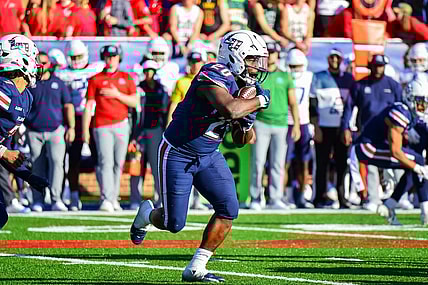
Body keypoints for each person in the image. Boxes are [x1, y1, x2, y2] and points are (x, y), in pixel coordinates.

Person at [130, 30, 271, 282]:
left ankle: (196, 267)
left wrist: (246, 124)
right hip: (178, 152)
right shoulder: (213, 73)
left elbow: (240, 142)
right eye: (251, 59)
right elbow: (229, 107)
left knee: (229, 209)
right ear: (235, 56)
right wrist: (256, 102)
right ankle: (147, 215)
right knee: (174, 223)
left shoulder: (249, 89)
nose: (255, 67)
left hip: (209, 154)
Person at [352, 73, 428, 226]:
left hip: (373, 145)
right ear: (410, 98)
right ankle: (425, 211)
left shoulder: (407, 112)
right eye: (420, 101)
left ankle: (390, 205)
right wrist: (418, 167)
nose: (423, 106)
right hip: (366, 148)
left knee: (414, 162)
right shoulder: (401, 113)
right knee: (416, 161)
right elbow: (396, 151)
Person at [341, 54, 403, 211]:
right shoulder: (360, 85)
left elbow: (403, 108)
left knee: (398, 163)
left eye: (381, 66)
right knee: (371, 165)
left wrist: (405, 130)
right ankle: (373, 198)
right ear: (370, 66)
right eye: (375, 66)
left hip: (391, 131)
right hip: (368, 132)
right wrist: (346, 128)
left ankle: (400, 197)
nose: (378, 69)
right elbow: (349, 108)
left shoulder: (393, 85)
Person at [0, 34, 49, 229]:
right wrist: (4, 152)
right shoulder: (4, 90)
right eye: (33, 58)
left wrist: (28, 176)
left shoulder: (25, 97)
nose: (36, 64)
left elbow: (7, 152)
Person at [83, 45, 138, 212]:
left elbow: (135, 102)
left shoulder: (127, 78)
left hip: (122, 124)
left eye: (113, 56)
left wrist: (117, 95)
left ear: (118, 58)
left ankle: (113, 198)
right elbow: (89, 105)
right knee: (105, 162)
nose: (110, 59)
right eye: (107, 56)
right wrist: (85, 129)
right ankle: (107, 198)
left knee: (118, 164)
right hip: (102, 125)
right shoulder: (95, 79)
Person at [249, 38, 300, 210]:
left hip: (281, 124)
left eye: (273, 53)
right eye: (268, 53)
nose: (271, 56)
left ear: (278, 55)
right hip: (261, 123)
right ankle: (256, 198)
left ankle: (276, 197)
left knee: (278, 163)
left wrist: (297, 125)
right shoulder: (257, 76)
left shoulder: (285, 76)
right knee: (258, 162)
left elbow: (293, 103)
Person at [55, 40, 105, 211]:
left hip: (92, 117)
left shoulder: (96, 69)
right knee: (73, 158)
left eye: (79, 56)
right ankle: (74, 195)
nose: (76, 60)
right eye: (73, 57)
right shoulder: (63, 73)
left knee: (99, 158)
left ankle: (105, 196)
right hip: (73, 120)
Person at [26, 51, 75, 212]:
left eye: (45, 62)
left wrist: (72, 127)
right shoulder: (31, 83)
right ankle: (37, 200)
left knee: (57, 164)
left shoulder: (59, 83)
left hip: (56, 130)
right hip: (34, 131)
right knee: (36, 166)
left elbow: (68, 105)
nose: (42, 65)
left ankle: (56, 199)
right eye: (39, 62)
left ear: (50, 64)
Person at [310, 47, 355, 208]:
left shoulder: (349, 79)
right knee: (322, 164)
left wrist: (348, 128)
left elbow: (352, 106)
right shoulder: (319, 77)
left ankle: (342, 198)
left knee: (342, 164)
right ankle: (319, 197)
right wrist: (316, 126)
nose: (334, 61)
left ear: (341, 60)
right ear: (328, 59)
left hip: (342, 128)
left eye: (337, 58)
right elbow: (312, 103)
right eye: (332, 58)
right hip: (324, 126)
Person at [128, 59, 169, 209]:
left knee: (156, 166)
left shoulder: (161, 90)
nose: (149, 74)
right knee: (136, 166)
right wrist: (132, 136)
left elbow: (164, 113)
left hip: (155, 131)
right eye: (146, 71)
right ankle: (134, 199)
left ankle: (160, 198)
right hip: (138, 132)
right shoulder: (138, 89)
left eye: (151, 71)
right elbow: (134, 114)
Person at [284, 48, 314, 208]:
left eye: (298, 66)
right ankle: (284, 196)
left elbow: (314, 102)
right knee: (284, 162)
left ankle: (301, 196)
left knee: (304, 162)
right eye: (292, 66)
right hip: (286, 123)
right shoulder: (283, 76)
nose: (295, 69)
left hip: (304, 123)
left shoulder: (309, 78)